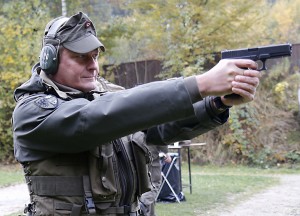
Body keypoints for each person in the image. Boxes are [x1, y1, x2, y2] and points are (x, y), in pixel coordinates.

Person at [12, 11, 260, 216]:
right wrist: (200, 84)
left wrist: (215, 104)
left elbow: (157, 127)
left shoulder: (107, 95)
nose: (94, 65)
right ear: (50, 59)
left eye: (95, 56)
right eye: (80, 57)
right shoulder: (32, 112)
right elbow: (92, 120)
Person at [139, 146, 171, 216]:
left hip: (137, 158)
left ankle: (150, 213)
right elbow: (160, 137)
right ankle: (142, 204)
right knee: (154, 185)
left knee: (145, 187)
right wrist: (166, 152)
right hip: (151, 158)